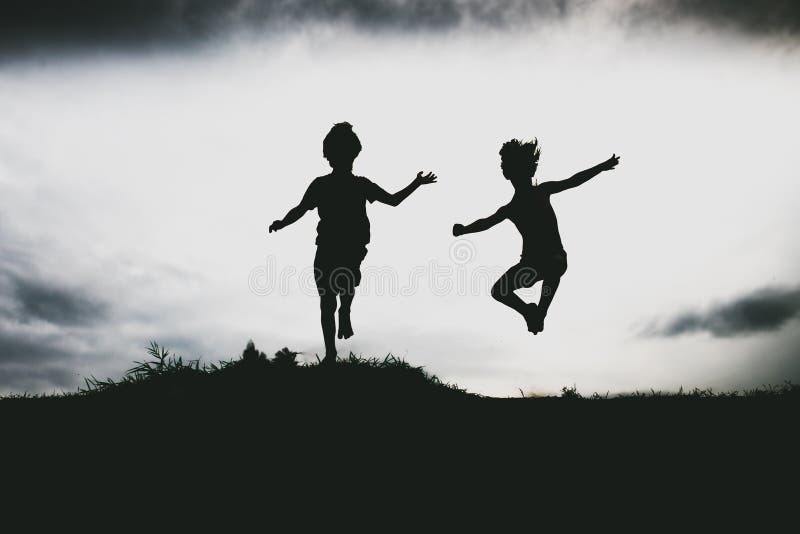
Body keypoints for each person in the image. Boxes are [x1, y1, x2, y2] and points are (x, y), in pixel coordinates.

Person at [269, 122, 437, 363]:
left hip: (350, 246)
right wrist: (283, 223)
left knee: (341, 286)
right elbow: (301, 209)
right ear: (330, 156)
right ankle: (331, 353)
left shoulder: (361, 184)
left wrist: (415, 184)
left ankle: (345, 309)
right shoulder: (321, 184)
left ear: (352, 155)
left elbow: (392, 200)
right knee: (327, 301)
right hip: (327, 246)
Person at [453, 138, 619, 334]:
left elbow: (573, 181)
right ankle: (530, 312)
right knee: (498, 290)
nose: (522, 178)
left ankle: (540, 312)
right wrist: (464, 230)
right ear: (508, 175)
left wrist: (601, 167)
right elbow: (486, 222)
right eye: (515, 172)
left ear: (530, 172)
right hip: (530, 265)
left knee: (553, 266)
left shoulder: (542, 191)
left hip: (553, 258)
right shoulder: (511, 208)